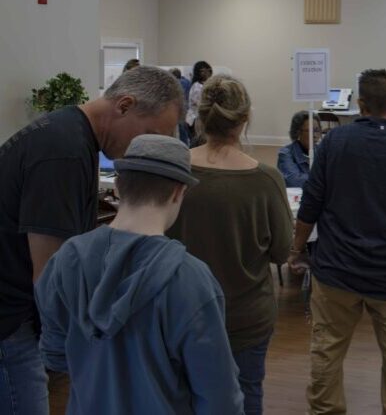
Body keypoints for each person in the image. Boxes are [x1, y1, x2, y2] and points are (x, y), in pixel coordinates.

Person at [0, 66, 183, 415]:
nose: (142, 150)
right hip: (9, 322)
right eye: (147, 135)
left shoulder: (69, 133)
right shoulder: (64, 151)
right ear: (125, 105)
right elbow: (50, 277)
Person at [35, 135, 244, 414]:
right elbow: (218, 395)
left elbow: (55, 354)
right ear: (177, 193)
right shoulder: (190, 279)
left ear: (118, 186)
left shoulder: (67, 259)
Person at [288, 69, 386, 415]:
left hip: (336, 271)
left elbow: (310, 203)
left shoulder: (334, 142)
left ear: (359, 104)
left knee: (327, 349)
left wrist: (297, 249)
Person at [167, 75, 294, 414]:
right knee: (246, 392)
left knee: (184, 395)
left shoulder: (174, 169)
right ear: (245, 118)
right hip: (245, 315)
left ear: (201, 116)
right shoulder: (266, 180)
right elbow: (282, 251)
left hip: (180, 311)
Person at [278, 111, 322, 187]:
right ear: (298, 132)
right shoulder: (285, 153)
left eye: (317, 130)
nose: (314, 135)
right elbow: (295, 181)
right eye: (309, 131)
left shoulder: (322, 151)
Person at [185, 60, 213, 138]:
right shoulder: (196, 86)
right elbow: (197, 103)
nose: (206, 73)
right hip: (195, 119)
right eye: (202, 71)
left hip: (204, 118)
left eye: (208, 71)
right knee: (197, 141)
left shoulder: (209, 85)